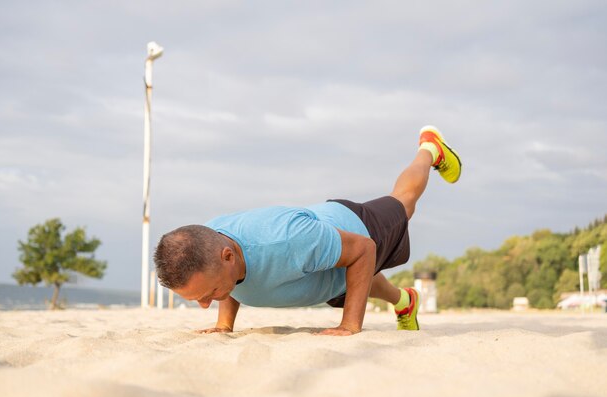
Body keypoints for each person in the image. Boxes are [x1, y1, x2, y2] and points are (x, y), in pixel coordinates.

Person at [154, 126, 461, 336]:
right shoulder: (209, 244)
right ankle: (405, 301)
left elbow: (364, 249)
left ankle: (429, 150)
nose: (205, 303)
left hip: (354, 227)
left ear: (228, 256)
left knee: (403, 201)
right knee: (346, 275)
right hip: (315, 266)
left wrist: (350, 325)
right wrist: (224, 325)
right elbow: (226, 278)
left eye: (208, 295)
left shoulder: (288, 240)